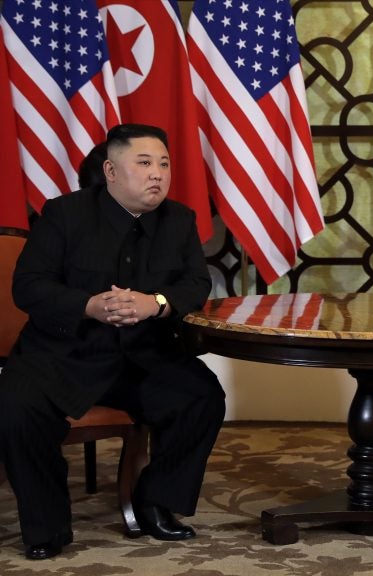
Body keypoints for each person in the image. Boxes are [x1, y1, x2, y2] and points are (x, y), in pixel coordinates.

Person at [0, 124, 226, 560]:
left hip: (141, 356)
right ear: (111, 170)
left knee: (201, 397)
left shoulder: (179, 220)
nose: (157, 174)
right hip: (63, 353)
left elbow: (196, 282)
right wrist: (89, 305)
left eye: (163, 164)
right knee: (16, 408)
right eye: (144, 163)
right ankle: (46, 525)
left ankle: (155, 502)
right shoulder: (64, 214)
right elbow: (28, 287)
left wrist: (155, 303)